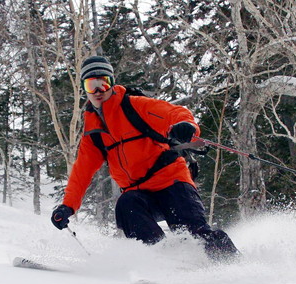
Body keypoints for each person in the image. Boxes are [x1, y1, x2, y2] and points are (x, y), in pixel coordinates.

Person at [51, 55, 239, 261]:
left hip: (171, 182)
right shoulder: (94, 130)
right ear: (84, 89)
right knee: (126, 204)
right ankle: (160, 262)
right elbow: (82, 170)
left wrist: (186, 125)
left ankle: (235, 266)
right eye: (91, 85)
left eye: (103, 83)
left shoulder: (135, 106)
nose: (98, 91)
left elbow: (175, 112)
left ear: (112, 84)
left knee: (195, 232)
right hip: (139, 194)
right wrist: (68, 206)